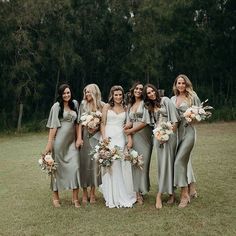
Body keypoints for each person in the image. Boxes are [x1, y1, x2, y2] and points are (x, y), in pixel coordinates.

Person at [143, 84, 179, 209]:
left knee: (169, 164)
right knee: (161, 165)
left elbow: (175, 121)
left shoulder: (166, 100)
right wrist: (159, 136)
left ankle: (167, 194)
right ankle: (167, 192)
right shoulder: (150, 107)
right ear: (146, 96)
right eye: (148, 93)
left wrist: (167, 135)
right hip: (157, 138)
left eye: (152, 91)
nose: (152, 93)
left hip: (169, 137)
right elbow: (151, 124)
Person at [44, 84, 80, 208]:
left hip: (72, 143)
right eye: (64, 93)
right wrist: (49, 144)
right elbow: (53, 126)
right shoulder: (56, 106)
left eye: (68, 92)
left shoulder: (75, 104)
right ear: (60, 94)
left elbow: (77, 124)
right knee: (56, 170)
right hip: (59, 143)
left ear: (71, 93)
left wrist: (79, 138)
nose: (66, 95)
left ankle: (75, 198)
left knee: (75, 168)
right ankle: (55, 197)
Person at [100, 85, 136, 208]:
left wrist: (129, 139)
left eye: (120, 94)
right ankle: (110, 195)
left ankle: (120, 194)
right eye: (116, 95)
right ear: (112, 95)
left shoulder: (126, 108)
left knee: (118, 165)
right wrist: (104, 138)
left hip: (120, 138)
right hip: (107, 137)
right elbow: (103, 123)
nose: (118, 97)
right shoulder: (106, 106)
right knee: (108, 164)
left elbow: (128, 125)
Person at [171, 74, 201, 208]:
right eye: (179, 83)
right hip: (176, 134)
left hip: (189, 132)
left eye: (183, 83)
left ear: (187, 84)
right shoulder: (172, 99)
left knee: (178, 162)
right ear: (175, 85)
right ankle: (192, 188)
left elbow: (201, 113)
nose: (181, 85)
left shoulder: (192, 97)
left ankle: (184, 195)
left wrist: (192, 117)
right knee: (185, 161)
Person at [124, 82, 153, 204]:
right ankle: (137, 193)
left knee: (143, 164)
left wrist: (130, 130)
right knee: (134, 164)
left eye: (141, 89)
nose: (139, 90)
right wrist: (129, 136)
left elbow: (145, 122)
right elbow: (128, 122)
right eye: (136, 88)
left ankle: (142, 189)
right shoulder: (130, 105)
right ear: (133, 90)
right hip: (134, 138)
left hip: (145, 136)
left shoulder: (145, 104)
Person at [76, 84, 104, 205]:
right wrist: (78, 138)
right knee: (83, 165)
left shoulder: (101, 105)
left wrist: (96, 128)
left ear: (94, 93)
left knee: (94, 165)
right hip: (85, 138)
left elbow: (103, 123)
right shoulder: (83, 105)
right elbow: (79, 123)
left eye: (89, 92)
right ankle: (84, 193)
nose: (87, 94)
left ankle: (93, 193)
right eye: (85, 92)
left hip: (96, 138)